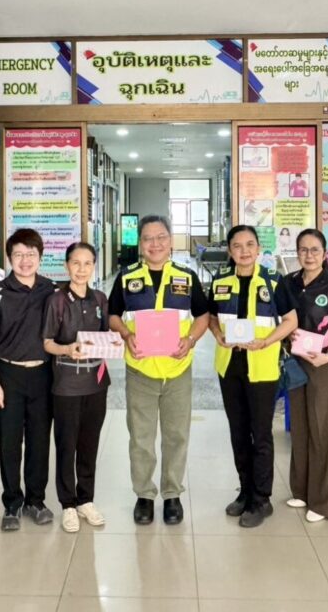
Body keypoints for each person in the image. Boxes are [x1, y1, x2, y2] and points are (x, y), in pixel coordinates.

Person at [108, 215, 210, 526]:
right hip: (140, 370)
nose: (155, 244)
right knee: (141, 437)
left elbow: (203, 315)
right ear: (140, 244)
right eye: (148, 238)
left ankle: (172, 494)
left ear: (170, 240)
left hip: (177, 369)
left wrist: (190, 340)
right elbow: (113, 315)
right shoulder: (127, 278)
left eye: (161, 237)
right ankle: (144, 495)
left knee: (176, 435)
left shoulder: (186, 277)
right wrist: (126, 334)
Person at [207, 225, 298, 528]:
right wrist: (218, 334)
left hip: (262, 367)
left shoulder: (274, 281)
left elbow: (290, 321)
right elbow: (211, 317)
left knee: (260, 434)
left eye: (249, 245)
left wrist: (267, 341)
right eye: (237, 245)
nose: (244, 251)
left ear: (259, 248)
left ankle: (261, 499)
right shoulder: (220, 280)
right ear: (229, 250)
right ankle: (245, 491)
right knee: (238, 432)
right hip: (229, 367)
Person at [0, 228, 57, 531]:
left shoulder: (51, 291)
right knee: (9, 442)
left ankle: (36, 501)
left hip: (43, 375)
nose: (25, 261)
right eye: (18, 255)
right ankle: (12, 503)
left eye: (31, 254)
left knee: (39, 441)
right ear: (9, 258)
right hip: (8, 375)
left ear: (40, 257)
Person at [42, 242, 112, 533]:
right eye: (76, 263)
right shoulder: (57, 300)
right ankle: (68, 504)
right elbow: (47, 342)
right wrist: (67, 349)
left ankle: (86, 499)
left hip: (96, 383)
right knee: (66, 445)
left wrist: (113, 345)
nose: (82, 269)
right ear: (66, 265)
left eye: (87, 263)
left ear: (94, 266)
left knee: (89, 444)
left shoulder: (100, 299)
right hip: (66, 384)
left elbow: (106, 336)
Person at [284, 228, 328, 523]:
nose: (308, 255)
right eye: (303, 249)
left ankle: (324, 502)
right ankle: (302, 490)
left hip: (325, 363)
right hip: (296, 361)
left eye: (314, 250)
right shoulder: (289, 282)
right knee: (300, 427)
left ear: (324, 254)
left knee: (324, 431)